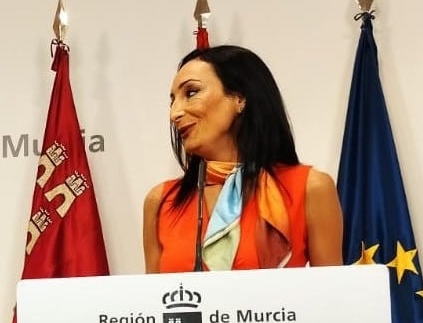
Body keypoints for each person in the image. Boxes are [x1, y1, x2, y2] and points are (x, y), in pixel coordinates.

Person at [143, 44, 343, 273]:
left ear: (239, 98)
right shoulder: (160, 201)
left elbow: (332, 300)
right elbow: (155, 303)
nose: (174, 113)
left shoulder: (310, 188)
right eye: (172, 101)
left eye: (191, 93)